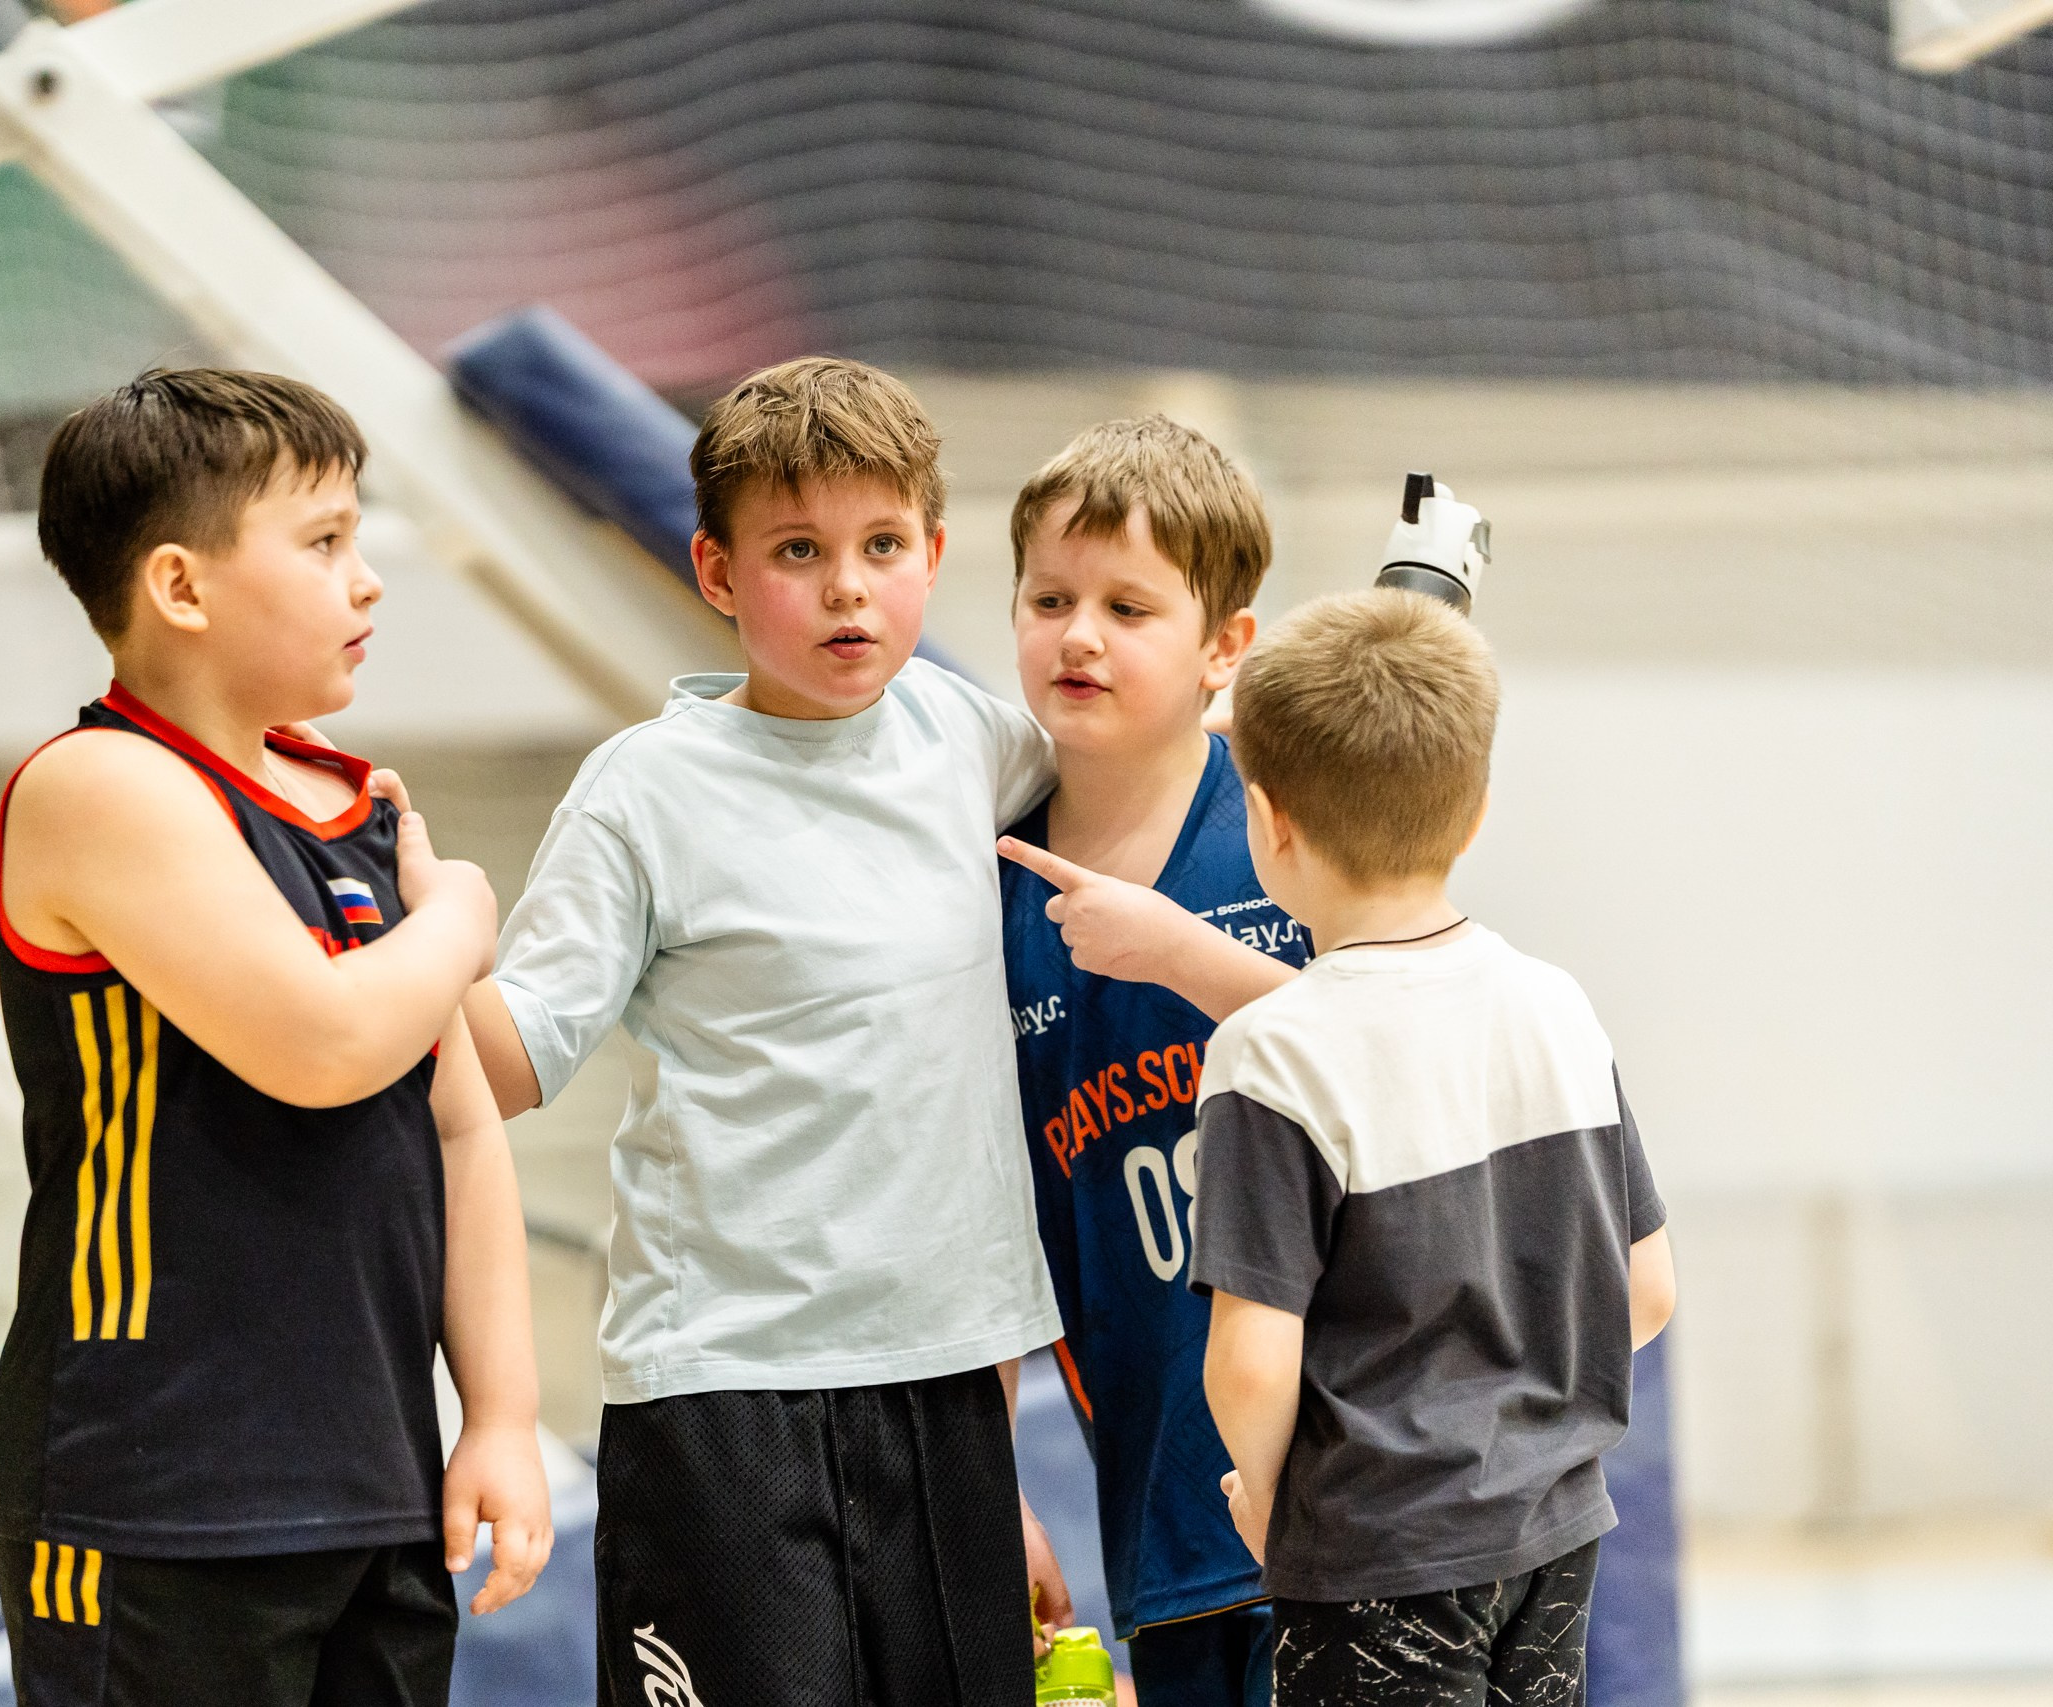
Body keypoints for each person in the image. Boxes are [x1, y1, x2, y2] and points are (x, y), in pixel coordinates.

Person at [463, 356, 1067, 1706]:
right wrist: (386, 957)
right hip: (726, 1398)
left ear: (934, 554)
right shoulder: (647, 792)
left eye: (882, 545)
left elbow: (1158, 774)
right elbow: (503, 1052)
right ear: (720, 573)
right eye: (799, 550)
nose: (849, 584)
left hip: (952, 1401)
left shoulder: (974, 742)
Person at [0, 368, 552, 1707]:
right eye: (325, 541)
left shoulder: (352, 799)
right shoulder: (99, 786)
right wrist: (463, 909)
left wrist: (506, 1413)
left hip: (373, 1481)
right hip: (160, 1492)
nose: (367, 581)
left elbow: (463, 1116)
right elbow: (327, 1043)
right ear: (181, 585)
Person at [1190, 590, 1677, 1707]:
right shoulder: (1555, 1006)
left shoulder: (1273, 1052)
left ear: (1267, 821)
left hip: (1373, 1549)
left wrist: (1272, 1503)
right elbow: (1645, 1289)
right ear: (1474, 815)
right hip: (1554, 1531)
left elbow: (1251, 1360)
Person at [992, 416, 1309, 1707]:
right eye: (1049, 598)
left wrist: (1187, 956)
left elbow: (1409, 1045)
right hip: (1161, 1521)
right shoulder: (978, 891)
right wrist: (990, 1486)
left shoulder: (1293, 828)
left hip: (1347, 1503)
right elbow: (971, 1223)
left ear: (1224, 646)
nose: (1079, 634)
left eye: (1129, 606)